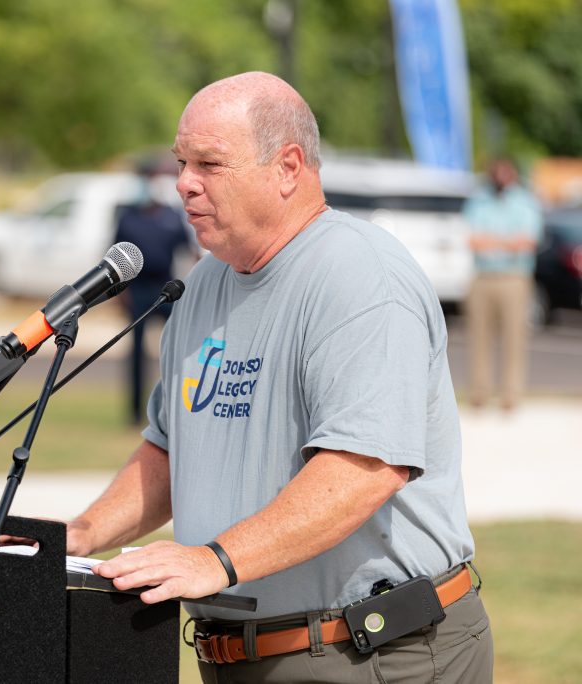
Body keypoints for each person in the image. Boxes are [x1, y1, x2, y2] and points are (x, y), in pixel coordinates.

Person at [64, 72, 492, 683]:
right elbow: (167, 451)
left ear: (288, 167)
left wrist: (215, 560)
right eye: (183, 161)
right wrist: (80, 535)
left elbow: (365, 469)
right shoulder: (203, 284)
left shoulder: (360, 275)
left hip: (373, 653)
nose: (184, 182)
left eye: (210, 163)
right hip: (238, 656)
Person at [113, 160, 198, 424]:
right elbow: (116, 257)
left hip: (166, 290)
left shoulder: (172, 216)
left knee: (177, 348)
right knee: (137, 354)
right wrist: (120, 293)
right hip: (137, 290)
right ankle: (135, 413)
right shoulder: (128, 218)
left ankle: (175, 408)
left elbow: (191, 252)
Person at [463, 159, 543, 411]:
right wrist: (507, 242)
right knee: (478, 337)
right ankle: (479, 392)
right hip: (483, 276)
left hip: (514, 277)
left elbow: (528, 242)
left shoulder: (525, 201)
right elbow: (473, 240)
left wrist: (493, 242)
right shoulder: (478, 200)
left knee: (514, 337)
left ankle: (511, 395)